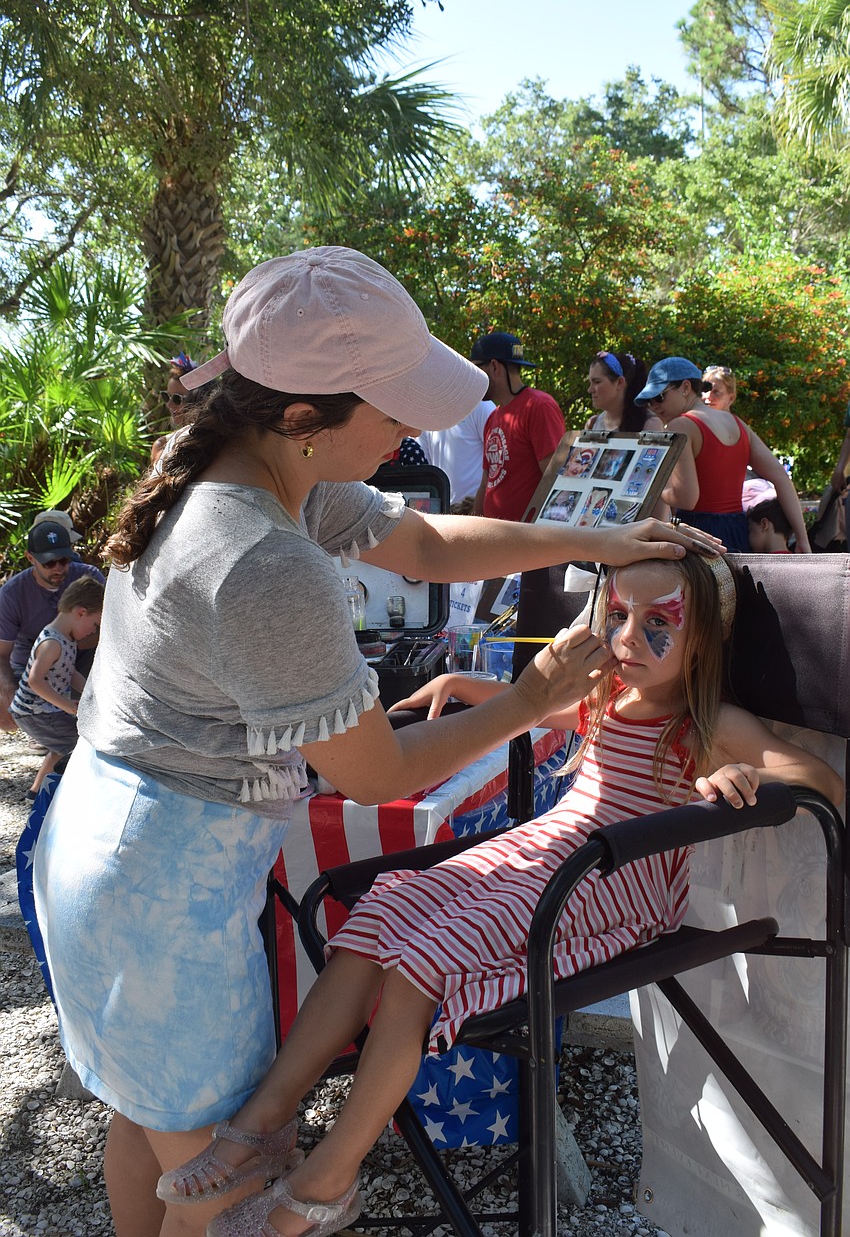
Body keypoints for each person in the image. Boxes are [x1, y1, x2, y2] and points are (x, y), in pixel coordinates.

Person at [31, 246, 722, 1237]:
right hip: (161, 892)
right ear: (309, 415)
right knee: (223, 1194)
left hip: (101, 851)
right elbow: (377, 772)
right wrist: (535, 694)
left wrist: (598, 540)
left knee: (152, 1121)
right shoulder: (267, 557)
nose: (415, 430)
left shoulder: (248, 465)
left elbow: (428, 544)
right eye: (395, 413)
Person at [157, 551, 841, 1237]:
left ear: (702, 640)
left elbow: (822, 780)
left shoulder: (706, 723)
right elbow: (541, 705)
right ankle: (265, 1121)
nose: (628, 638)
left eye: (658, 622)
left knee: (420, 964)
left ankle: (328, 1178)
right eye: (619, 615)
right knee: (381, 912)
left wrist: (740, 777)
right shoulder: (610, 695)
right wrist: (462, 682)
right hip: (546, 853)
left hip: (608, 880)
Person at [636, 357, 811, 554]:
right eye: (648, 402)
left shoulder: (680, 426)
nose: (654, 406)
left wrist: (649, 480)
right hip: (738, 532)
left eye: (659, 397)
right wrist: (802, 540)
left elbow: (686, 499)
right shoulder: (737, 424)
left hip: (698, 537)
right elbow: (781, 478)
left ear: (685, 388)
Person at [0, 516, 105, 732]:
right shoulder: (11, 594)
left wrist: (67, 645)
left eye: (64, 560)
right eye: (49, 563)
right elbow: (2, 654)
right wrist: (7, 690)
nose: (58, 569)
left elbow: (109, 630)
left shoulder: (88, 577)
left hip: (80, 657)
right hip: (29, 665)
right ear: (30, 558)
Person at [10, 576, 104, 795]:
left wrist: (92, 693)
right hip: (33, 712)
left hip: (44, 710)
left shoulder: (67, 639)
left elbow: (70, 673)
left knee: (59, 746)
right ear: (80, 612)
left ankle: (36, 793)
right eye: (95, 625)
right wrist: (68, 706)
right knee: (77, 742)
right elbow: (35, 680)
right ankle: (58, 794)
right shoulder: (52, 642)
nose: (93, 631)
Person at [471, 331, 565, 521]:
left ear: (494, 366)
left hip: (527, 541)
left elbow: (555, 478)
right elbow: (486, 482)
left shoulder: (539, 407)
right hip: (496, 539)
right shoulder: (494, 416)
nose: (473, 379)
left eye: (476, 370)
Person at [418, 398, 496, 512]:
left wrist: (478, 505)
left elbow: (499, 461)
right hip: (444, 513)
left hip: (479, 511)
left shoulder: (481, 405)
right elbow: (427, 468)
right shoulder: (425, 414)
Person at [587, 351, 661, 431]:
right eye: (590, 383)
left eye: (597, 382)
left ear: (619, 383)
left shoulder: (650, 423)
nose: (590, 390)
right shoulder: (592, 424)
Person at [150, 352, 199, 465]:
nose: (169, 405)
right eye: (166, 396)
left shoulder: (218, 440)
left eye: (177, 398)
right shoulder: (161, 445)